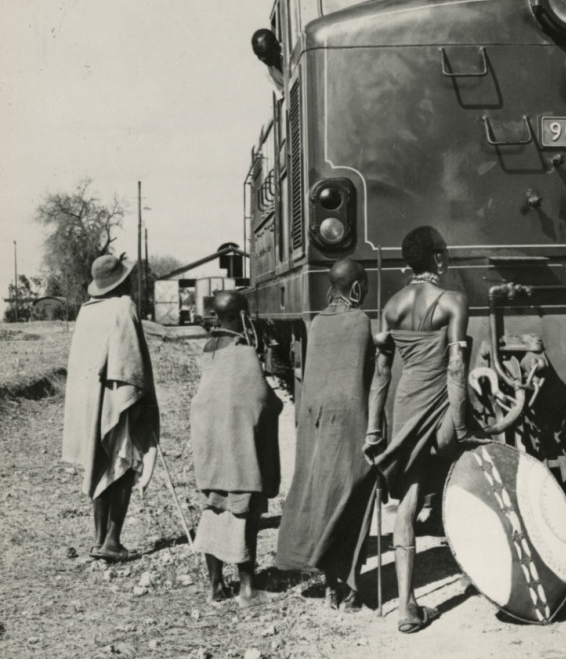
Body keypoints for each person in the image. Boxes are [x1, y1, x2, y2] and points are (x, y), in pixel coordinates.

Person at [363, 226, 487, 634]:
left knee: (409, 504)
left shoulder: (393, 305)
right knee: (469, 469)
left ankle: (405, 609)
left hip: (406, 404)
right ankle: (481, 570)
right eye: (444, 253)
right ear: (436, 260)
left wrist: (372, 431)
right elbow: (455, 368)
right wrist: (462, 424)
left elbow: (381, 375)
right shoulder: (453, 301)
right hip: (442, 409)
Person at [276, 260, 379, 611]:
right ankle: (349, 590)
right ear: (354, 289)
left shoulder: (317, 323)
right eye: (363, 287)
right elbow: (369, 380)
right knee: (354, 499)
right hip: (351, 423)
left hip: (315, 423)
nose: (364, 294)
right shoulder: (362, 321)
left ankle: (331, 583)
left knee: (325, 494)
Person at [63, 254, 159, 563]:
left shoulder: (87, 311)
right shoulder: (123, 307)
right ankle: (113, 541)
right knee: (123, 464)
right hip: (117, 399)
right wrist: (141, 403)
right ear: (121, 281)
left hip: (92, 402)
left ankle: (98, 538)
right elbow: (133, 366)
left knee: (102, 462)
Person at [190, 291, 282, 603]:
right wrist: (276, 404)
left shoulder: (209, 348)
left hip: (212, 448)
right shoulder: (243, 350)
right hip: (238, 450)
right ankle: (246, 588)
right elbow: (258, 399)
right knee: (246, 512)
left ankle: (216, 585)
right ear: (243, 316)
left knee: (215, 509)